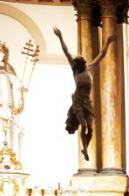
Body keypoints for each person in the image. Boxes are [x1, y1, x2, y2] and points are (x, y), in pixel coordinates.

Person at [53, 27, 115, 161]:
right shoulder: (75, 70)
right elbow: (66, 51)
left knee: (91, 129)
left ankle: (85, 147)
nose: (78, 61)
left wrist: (108, 43)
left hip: (88, 101)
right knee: (84, 125)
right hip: (77, 100)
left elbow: (102, 54)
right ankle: (85, 149)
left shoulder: (91, 67)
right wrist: (60, 37)